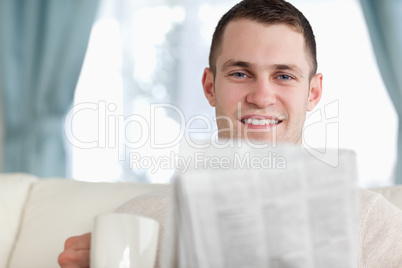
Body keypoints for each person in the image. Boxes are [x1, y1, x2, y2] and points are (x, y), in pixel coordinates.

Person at [58, 0, 402, 267]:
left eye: (284, 76)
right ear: (210, 87)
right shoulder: (139, 220)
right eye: (240, 74)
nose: (262, 96)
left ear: (313, 93)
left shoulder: (373, 222)